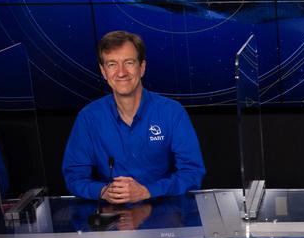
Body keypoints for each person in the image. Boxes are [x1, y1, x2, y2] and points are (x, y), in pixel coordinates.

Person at [63, 31, 205, 203]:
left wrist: (147, 191)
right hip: (112, 213)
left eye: (129, 63)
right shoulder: (88, 118)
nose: (121, 72)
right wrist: (102, 191)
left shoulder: (172, 112)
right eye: (112, 64)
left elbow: (192, 173)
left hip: (165, 210)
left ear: (142, 67)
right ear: (103, 71)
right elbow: (74, 177)